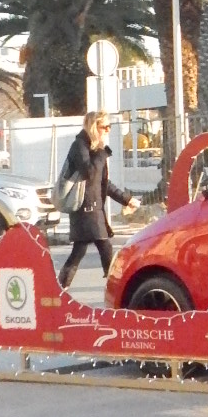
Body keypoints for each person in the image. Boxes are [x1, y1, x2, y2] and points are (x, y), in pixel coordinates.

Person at [57, 112, 139, 290]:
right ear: (95, 127)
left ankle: (60, 288)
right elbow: (90, 172)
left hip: (94, 207)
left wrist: (126, 199)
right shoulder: (80, 146)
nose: (108, 130)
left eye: (110, 127)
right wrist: (102, 153)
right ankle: (117, 289)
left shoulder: (95, 149)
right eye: (105, 127)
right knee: (104, 247)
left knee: (80, 250)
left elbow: (104, 183)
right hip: (85, 208)